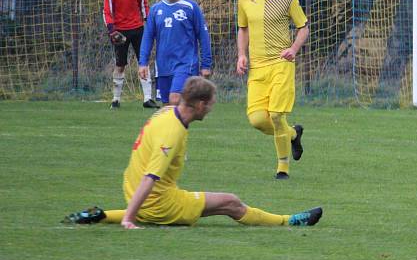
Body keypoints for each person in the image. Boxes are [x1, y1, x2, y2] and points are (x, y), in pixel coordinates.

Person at [63, 76, 323, 229]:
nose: (211, 109)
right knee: (231, 202)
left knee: (202, 203)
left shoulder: (166, 112)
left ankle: (100, 215)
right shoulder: (172, 132)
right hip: (159, 203)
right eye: (210, 104)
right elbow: (150, 178)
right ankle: (290, 221)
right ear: (200, 105)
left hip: (131, 190)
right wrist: (129, 219)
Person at [236, 0, 308, 179]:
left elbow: (303, 27)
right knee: (257, 120)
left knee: (276, 115)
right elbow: (243, 28)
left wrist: (293, 49)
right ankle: (293, 135)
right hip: (257, 68)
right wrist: (241, 55)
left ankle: (282, 168)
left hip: (281, 63)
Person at [138, 0, 213, 106]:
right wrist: (143, 62)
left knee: (175, 99)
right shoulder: (155, 10)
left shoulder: (191, 7)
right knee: (168, 106)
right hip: (163, 65)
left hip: (185, 63)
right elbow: (148, 37)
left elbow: (203, 36)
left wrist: (206, 64)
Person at [103, 0, 158, 109]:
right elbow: (107, 12)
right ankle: (116, 99)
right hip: (120, 31)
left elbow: (144, 5)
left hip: (138, 29)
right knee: (120, 65)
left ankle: (147, 98)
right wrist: (112, 30)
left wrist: (149, 23)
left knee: (143, 62)